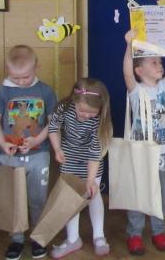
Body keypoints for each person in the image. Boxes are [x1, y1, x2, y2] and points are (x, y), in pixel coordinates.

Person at [0, 45, 58, 260]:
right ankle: (16, 239)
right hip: (10, 156)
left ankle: (38, 237)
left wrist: (37, 140)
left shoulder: (46, 91)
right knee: (13, 199)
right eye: (15, 77)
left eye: (25, 77)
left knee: (38, 199)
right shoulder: (3, 91)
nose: (20, 82)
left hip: (39, 155)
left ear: (37, 67)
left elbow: (53, 122)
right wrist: (2, 143)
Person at [122, 30, 165, 255]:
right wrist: (129, 46)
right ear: (140, 70)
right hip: (140, 151)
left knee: (159, 192)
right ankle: (135, 234)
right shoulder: (136, 90)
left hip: (161, 151)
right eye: (154, 62)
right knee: (139, 192)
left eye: (160, 61)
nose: (160, 65)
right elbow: (127, 73)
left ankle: (158, 231)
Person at [47, 78, 113, 258]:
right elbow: (53, 127)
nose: (86, 115)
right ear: (74, 101)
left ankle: (99, 236)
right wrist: (57, 149)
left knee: (93, 197)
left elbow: (95, 153)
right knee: (70, 200)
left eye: (91, 112)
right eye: (82, 110)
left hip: (92, 163)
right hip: (69, 161)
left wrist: (91, 180)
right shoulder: (64, 107)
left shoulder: (99, 121)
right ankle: (73, 239)